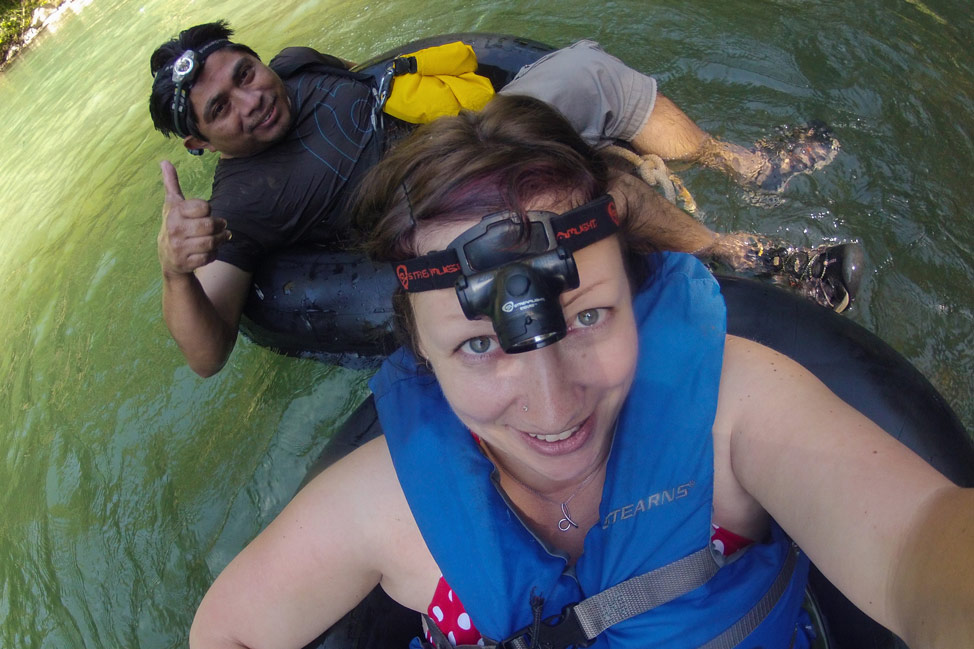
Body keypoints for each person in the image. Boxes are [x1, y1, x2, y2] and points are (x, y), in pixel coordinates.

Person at [187, 95, 972, 649]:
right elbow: (226, 629)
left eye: (589, 316)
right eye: (479, 345)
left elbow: (918, 550)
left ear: (635, 291)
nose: (553, 401)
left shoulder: (732, 410)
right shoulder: (381, 505)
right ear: (419, 351)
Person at [149, 21, 854, 377]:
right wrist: (176, 269)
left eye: (247, 73)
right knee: (599, 196)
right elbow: (207, 353)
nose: (251, 100)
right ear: (200, 145)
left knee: (590, 73)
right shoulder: (243, 204)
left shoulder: (297, 71)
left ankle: (744, 163)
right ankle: (742, 260)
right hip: (443, 206)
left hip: (464, 131)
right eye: (221, 108)